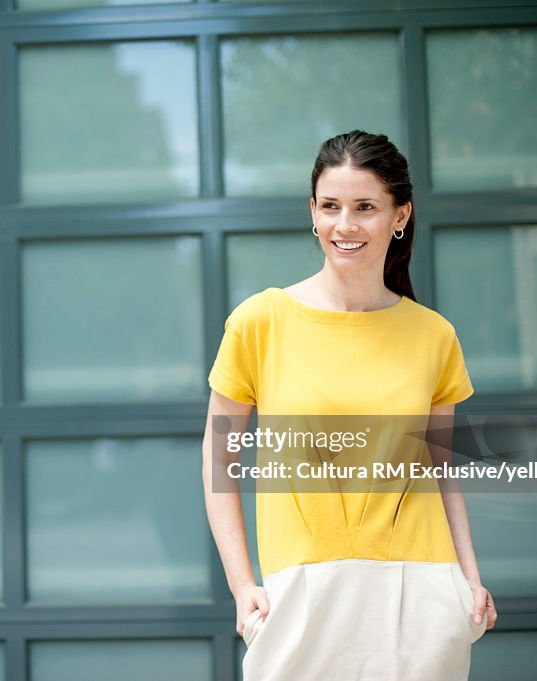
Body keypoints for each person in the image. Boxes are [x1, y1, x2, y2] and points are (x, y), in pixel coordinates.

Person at [202, 130, 497, 680]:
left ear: (400, 215)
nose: (345, 225)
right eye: (331, 206)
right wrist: (244, 588)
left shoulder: (433, 335)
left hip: (421, 595)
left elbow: (441, 469)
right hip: (301, 597)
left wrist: (468, 579)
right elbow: (219, 462)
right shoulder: (260, 322)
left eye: (365, 207)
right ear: (312, 213)